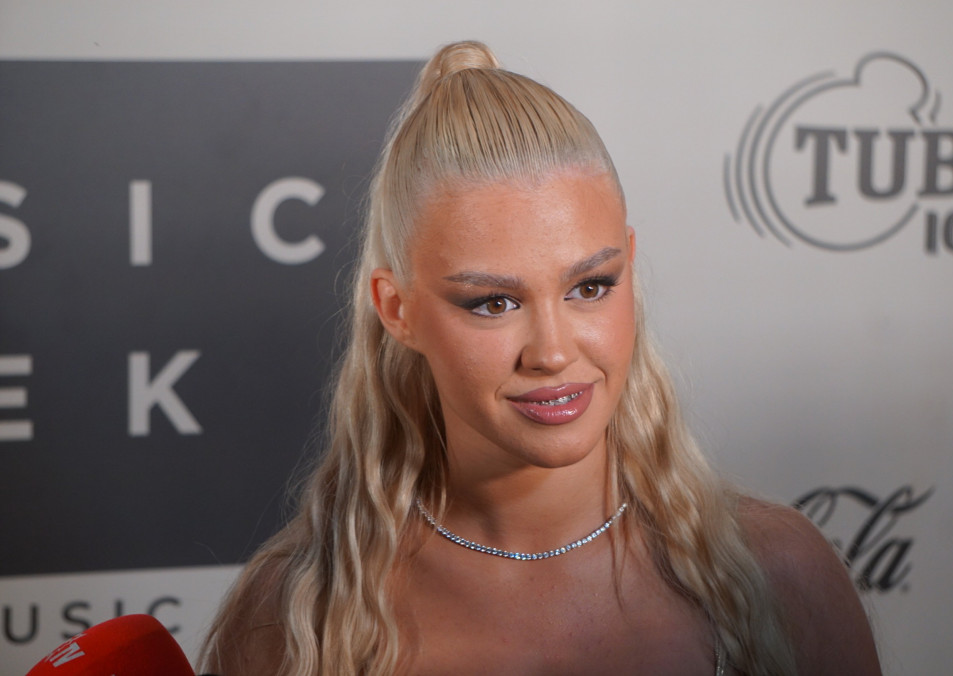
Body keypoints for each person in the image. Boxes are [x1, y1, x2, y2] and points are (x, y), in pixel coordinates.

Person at [199, 40, 881, 675]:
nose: (553, 352)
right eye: (493, 302)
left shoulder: (779, 574)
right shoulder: (299, 619)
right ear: (397, 309)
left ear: (629, 266)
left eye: (591, 287)